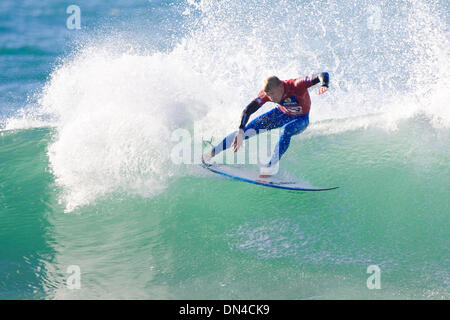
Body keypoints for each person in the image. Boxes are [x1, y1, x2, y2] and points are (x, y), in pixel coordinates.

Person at [203, 73, 330, 177]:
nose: (270, 98)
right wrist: (240, 131)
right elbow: (248, 110)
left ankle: (269, 169)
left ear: (280, 87)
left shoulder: (296, 84)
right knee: (246, 131)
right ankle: (210, 154)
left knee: (286, 130)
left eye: (272, 94)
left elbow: (322, 74)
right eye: (268, 95)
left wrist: (324, 84)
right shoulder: (267, 94)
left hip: (301, 119)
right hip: (281, 114)